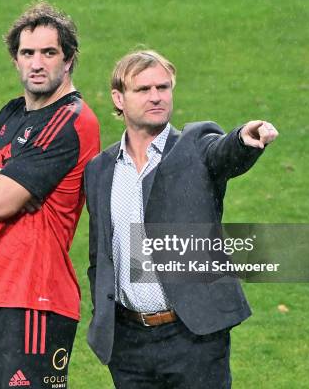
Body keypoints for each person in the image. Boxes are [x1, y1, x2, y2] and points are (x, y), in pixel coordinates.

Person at [84, 50, 278, 388]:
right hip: (128, 344)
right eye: (143, 89)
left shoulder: (195, 146)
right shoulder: (100, 169)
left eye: (163, 87)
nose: (156, 96)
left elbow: (224, 153)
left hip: (193, 337)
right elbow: (100, 255)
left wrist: (244, 139)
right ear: (119, 98)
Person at [0, 1, 100, 389]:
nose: (37, 63)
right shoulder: (12, 115)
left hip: (36, 297)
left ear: (69, 60)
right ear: (15, 59)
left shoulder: (70, 120)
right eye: (27, 53)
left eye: (49, 52)